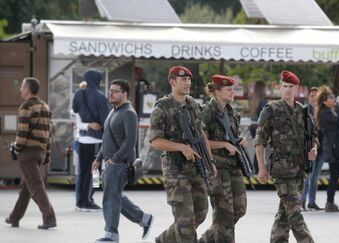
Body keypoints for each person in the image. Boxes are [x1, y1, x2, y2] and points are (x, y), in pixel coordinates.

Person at [149, 66, 217, 243]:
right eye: (183, 80)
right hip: (175, 170)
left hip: (196, 167)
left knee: (200, 213)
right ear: (172, 82)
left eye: (189, 80)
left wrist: (210, 161)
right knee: (186, 222)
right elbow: (155, 141)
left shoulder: (192, 104)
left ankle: (164, 239)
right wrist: (181, 147)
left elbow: (201, 134)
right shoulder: (162, 107)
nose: (188, 83)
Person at [255, 71, 318, 243]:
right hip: (282, 171)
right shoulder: (271, 110)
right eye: (285, 86)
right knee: (295, 214)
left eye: (291, 87)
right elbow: (260, 141)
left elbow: (313, 136)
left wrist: (314, 149)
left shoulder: (303, 111)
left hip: (299, 170)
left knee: (285, 214)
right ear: (280, 87)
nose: (287, 90)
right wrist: (261, 167)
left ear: (297, 88)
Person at [92, 80, 153, 243]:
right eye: (110, 90)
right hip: (109, 162)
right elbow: (106, 139)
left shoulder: (128, 113)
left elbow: (130, 141)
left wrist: (114, 160)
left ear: (124, 94)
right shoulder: (114, 111)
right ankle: (144, 219)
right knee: (114, 196)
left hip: (119, 164)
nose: (110, 94)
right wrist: (98, 159)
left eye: (115, 91)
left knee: (110, 198)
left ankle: (111, 235)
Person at [199, 75, 247, 243]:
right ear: (218, 92)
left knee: (240, 209)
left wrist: (238, 141)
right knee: (224, 215)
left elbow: (231, 137)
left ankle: (206, 239)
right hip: (217, 168)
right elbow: (202, 143)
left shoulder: (232, 113)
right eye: (229, 89)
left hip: (234, 166)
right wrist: (224, 145)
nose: (233, 91)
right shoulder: (206, 112)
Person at [6, 77, 56, 229]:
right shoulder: (45, 106)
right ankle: (14, 217)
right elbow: (48, 134)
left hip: (27, 153)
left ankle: (49, 218)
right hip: (39, 152)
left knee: (35, 186)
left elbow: (22, 133)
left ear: (27, 90)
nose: (20, 89)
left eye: (22, 87)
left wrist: (16, 147)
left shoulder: (26, 107)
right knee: (27, 187)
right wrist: (47, 154)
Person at [72, 68, 109, 211]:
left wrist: (86, 125)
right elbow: (105, 121)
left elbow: (74, 113)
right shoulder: (100, 97)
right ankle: (88, 201)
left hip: (81, 138)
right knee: (95, 172)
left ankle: (79, 202)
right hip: (96, 141)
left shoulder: (78, 94)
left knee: (82, 172)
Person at [314, 86, 339, 212]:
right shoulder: (325, 112)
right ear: (324, 100)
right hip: (332, 148)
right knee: (334, 176)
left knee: (335, 175)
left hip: (334, 146)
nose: (333, 99)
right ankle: (330, 202)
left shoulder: (328, 110)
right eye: (331, 97)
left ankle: (330, 201)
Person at [301, 87, 325, 211]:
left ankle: (312, 202)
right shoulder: (305, 111)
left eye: (317, 95)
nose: (314, 98)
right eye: (312, 96)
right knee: (307, 177)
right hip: (309, 148)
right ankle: (302, 201)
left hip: (321, 149)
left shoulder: (323, 111)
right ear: (308, 97)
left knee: (315, 177)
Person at [248, 80, 267, 173]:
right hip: (259, 127)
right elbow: (265, 114)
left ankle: (255, 168)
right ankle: (257, 168)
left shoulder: (253, 99)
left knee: (257, 148)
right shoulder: (262, 101)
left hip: (252, 127)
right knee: (260, 148)